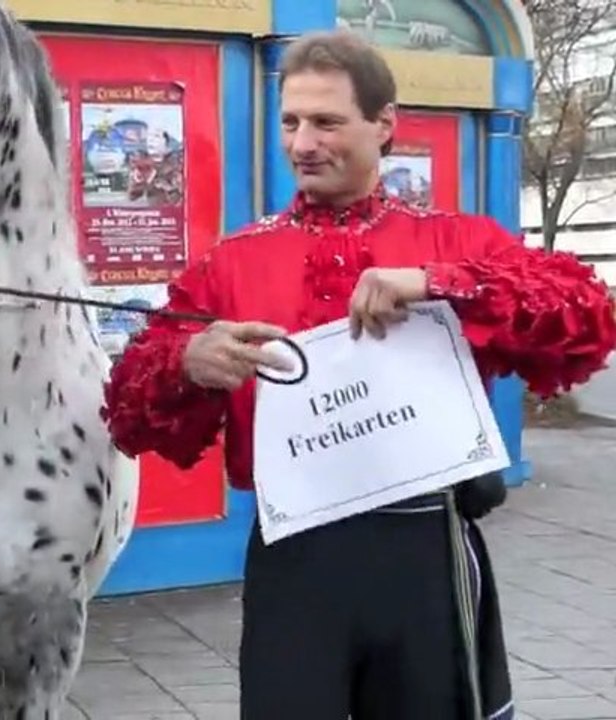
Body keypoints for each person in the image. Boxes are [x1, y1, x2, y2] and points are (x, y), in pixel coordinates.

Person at [100, 30, 616, 720]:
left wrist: (438, 282)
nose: (303, 143)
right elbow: (129, 406)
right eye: (291, 122)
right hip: (294, 555)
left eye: (327, 122)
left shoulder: (456, 241)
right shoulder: (233, 262)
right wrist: (187, 361)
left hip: (426, 551)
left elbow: (586, 314)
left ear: (384, 124)